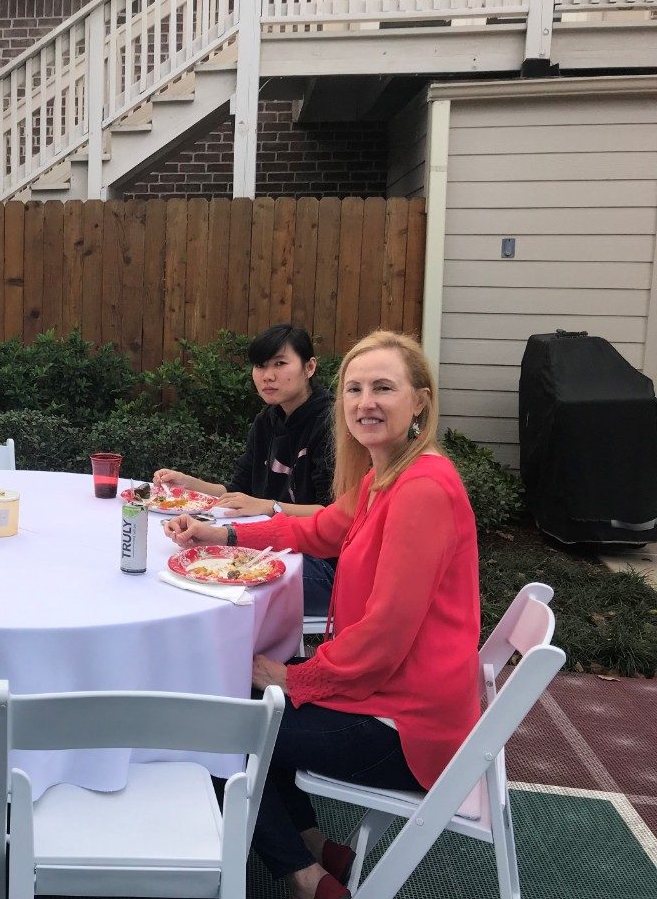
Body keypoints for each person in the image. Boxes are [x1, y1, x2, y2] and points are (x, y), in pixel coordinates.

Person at [163, 330, 480, 899]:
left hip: (405, 727)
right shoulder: (387, 477)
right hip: (394, 696)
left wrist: (295, 677)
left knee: (213, 732)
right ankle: (314, 845)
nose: (365, 402)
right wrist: (222, 532)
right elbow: (317, 529)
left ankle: (307, 882)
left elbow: (382, 638)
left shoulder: (422, 490)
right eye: (354, 389)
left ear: (421, 402)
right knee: (243, 701)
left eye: (384, 388)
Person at [154, 323, 338, 615]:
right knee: (190, 560)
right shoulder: (267, 421)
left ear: (309, 367)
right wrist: (187, 483)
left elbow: (333, 514)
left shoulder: (331, 423)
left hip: (323, 566)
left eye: (280, 363)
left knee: (214, 578)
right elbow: (239, 491)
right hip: (270, 545)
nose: (268, 376)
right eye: (260, 366)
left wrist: (268, 506)